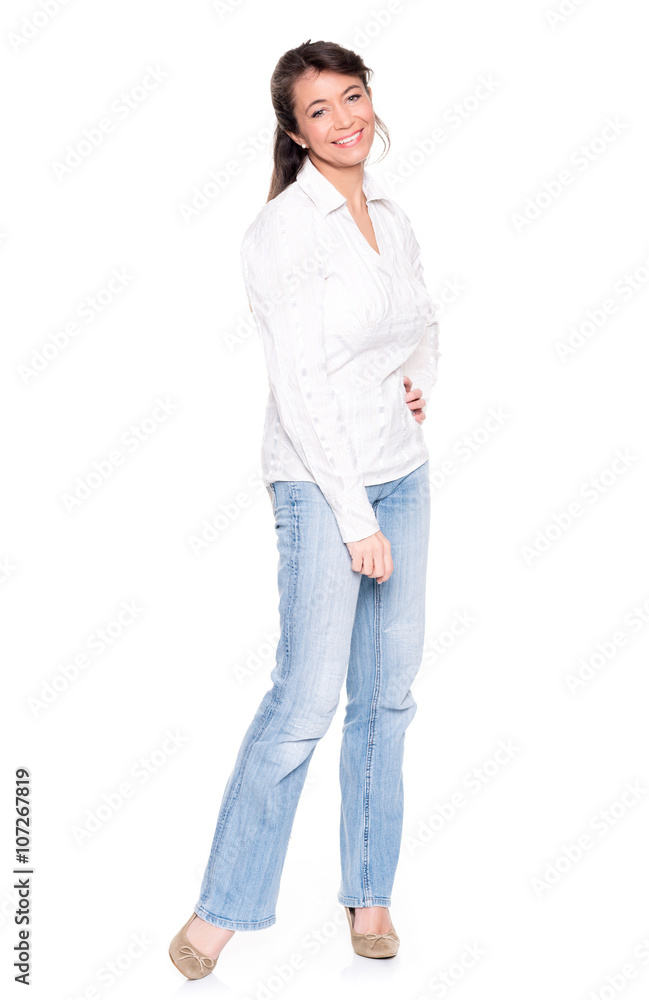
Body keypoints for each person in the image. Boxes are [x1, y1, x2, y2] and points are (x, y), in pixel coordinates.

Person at [169, 38, 440, 979]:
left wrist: (417, 381)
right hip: (324, 487)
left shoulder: (391, 218)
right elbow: (300, 386)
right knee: (303, 702)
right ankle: (220, 911)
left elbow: (421, 322)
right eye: (319, 109)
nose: (343, 119)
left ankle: (370, 893)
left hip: (402, 473)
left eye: (352, 97)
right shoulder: (282, 232)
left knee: (387, 698)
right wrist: (356, 520)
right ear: (293, 131)